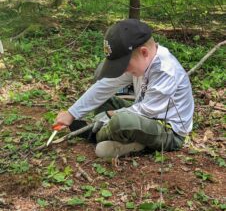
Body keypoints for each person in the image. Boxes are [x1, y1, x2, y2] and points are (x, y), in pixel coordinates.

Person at [56, 19, 194, 158]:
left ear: (144, 52)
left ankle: (97, 135)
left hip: (168, 131)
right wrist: (72, 113)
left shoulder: (165, 71)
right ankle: (125, 139)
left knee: (122, 122)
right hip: (142, 116)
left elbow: (146, 111)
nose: (122, 70)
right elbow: (105, 86)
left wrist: (106, 118)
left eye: (124, 64)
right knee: (105, 100)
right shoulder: (142, 62)